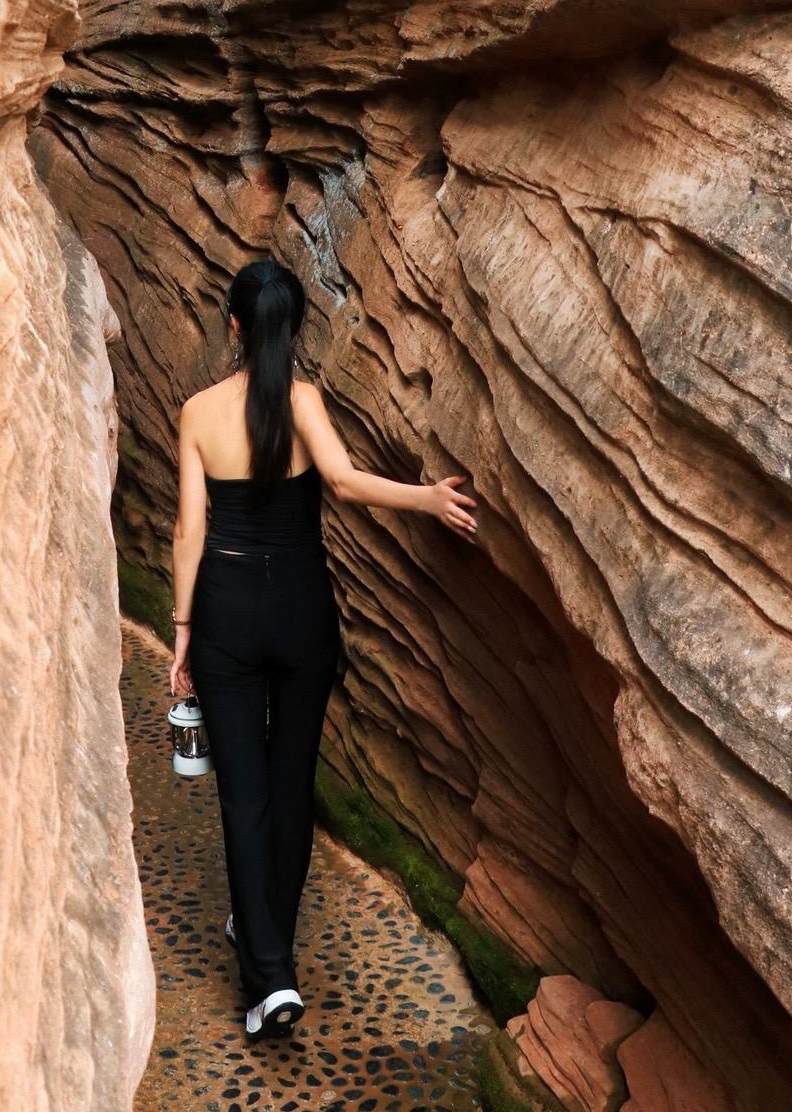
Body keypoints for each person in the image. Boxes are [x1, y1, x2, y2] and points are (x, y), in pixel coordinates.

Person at [167, 257, 478, 1041]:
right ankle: (265, 935)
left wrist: (181, 634)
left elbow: (189, 533)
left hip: (228, 614)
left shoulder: (198, 412)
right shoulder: (302, 402)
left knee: (243, 795)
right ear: (292, 328)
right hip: (303, 611)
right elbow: (341, 482)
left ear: (233, 326)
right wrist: (429, 500)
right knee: (290, 782)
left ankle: (270, 977)